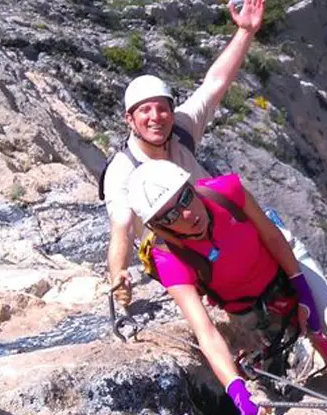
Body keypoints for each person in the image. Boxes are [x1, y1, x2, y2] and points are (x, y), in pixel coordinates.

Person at [125, 160, 327, 415]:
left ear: (191, 186)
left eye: (185, 198)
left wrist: (304, 294)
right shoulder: (169, 258)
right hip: (246, 302)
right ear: (158, 226)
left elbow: (273, 238)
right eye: (169, 217)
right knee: (270, 360)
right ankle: (317, 337)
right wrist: (238, 394)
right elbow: (205, 331)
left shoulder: (225, 192)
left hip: (285, 262)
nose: (186, 215)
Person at [104, 0, 266, 308]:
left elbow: (214, 84)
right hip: (186, 256)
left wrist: (245, 32)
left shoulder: (180, 127)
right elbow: (121, 225)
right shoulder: (123, 169)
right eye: (145, 111)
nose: (156, 117)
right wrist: (119, 271)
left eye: (162, 108)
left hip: (222, 230)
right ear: (130, 119)